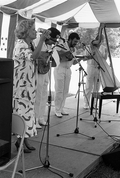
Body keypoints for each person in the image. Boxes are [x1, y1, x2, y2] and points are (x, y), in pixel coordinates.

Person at [13, 19, 50, 153]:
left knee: (27, 113)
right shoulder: (20, 44)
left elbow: (35, 56)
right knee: (23, 113)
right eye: (33, 30)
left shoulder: (28, 45)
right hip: (22, 87)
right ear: (26, 32)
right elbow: (33, 57)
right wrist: (41, 40)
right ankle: (21, 141)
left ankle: (23, 140)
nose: (35, 32)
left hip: (28, 86)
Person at [34, 27, 61, 128]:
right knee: (38, 94)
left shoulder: (49, 45)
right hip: (37, 71)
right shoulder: (37, 40)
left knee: (44, 94)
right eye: (53, 40)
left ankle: (41, 117)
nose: (53, 43)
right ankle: (35, 119)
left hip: (45, 70)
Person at [54, 32, 81, 118]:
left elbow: (73, 62)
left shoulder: (74, 49)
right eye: (75, 41)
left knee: (65, 90)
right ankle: (57, 110)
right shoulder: (61, 45)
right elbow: (56, 56)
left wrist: (82, 59)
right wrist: (67, 52)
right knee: (59, 90)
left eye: (77, 42)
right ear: (69, 39)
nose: (76, 43)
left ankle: (61, 108)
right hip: (60, 68)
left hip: (68, 70)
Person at [83, 24, 108, 109]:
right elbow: (84, 58)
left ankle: (94, 104)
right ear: (97, 39)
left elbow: (104, 59)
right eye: (100, 39)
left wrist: (107, 53)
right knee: (88, 87)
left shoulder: (103, 48)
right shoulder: (90, 46)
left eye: (103, 40)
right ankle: (86, 104)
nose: (101, 41)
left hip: (98, 69)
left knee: (97, 87)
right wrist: (100, 29)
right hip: (90, 68)